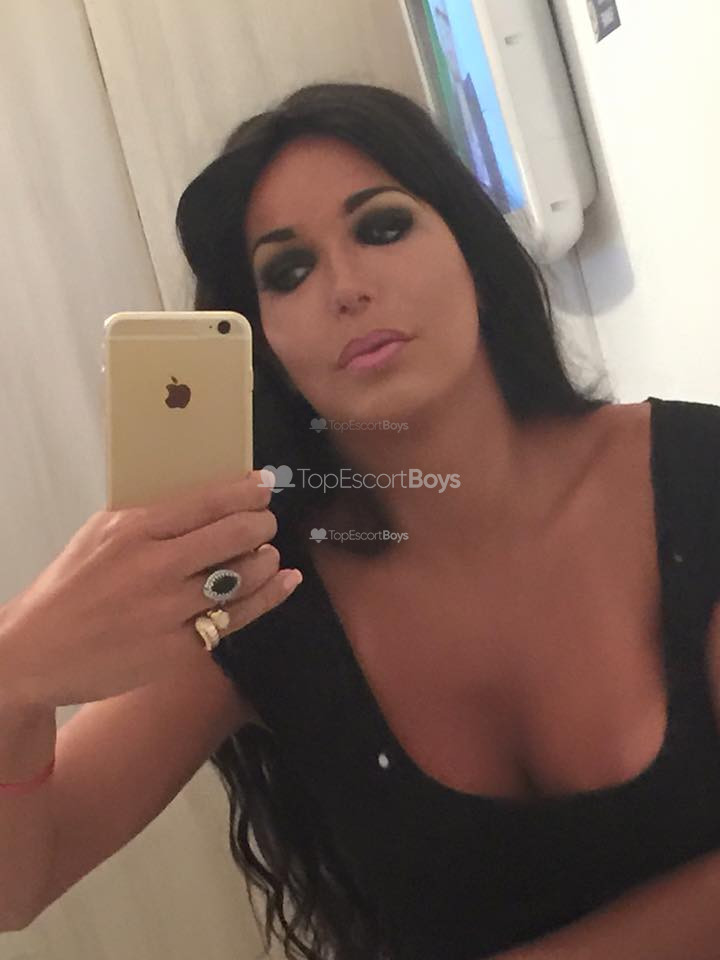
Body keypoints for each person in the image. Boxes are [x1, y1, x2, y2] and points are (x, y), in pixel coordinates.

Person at [3, 81, 720, 960]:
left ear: (472, 250)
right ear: (264, 341)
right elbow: (19, 884)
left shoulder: (694, 477)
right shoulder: (262, 588)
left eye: (381, 228)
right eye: (288, 272)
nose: (344, 288)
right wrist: (15, 674)